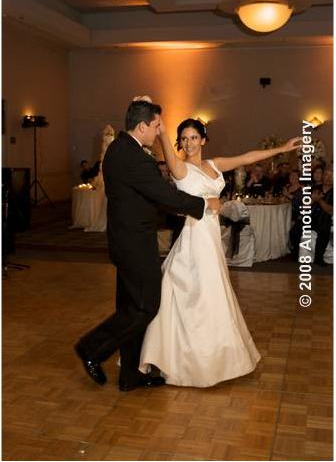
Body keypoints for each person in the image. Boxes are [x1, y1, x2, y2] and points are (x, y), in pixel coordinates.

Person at [140, 115, 301, 387]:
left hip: (212, 241)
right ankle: (180, 360)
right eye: (183, 139)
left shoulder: (214, 165)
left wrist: (281, 149)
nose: (188, 143)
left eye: (193, 137)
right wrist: (163, 129)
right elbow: (167, 149)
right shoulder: (179, 168)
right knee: (193, 294)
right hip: (193, 241)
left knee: (213, 295)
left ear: (203, 139)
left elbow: (247, 157)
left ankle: (215, 358)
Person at [74, 99, 220, 391]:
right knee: (146, 307)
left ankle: (130, 375)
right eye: (155, 127)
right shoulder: (134, 157)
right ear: (142, 126)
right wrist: (204, 204)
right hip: (134, 244)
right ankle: (91, 347)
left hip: (126, 239)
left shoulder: (118, 148)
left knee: (130, 306)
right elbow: (164, 196)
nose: (158, 133)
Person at [311, 168, 333, 266]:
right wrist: (312, 200)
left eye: (331, 176)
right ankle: (295, 258)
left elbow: (330, 210)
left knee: (324, 229)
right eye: (327, 175)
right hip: (311, 217)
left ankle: (318, 259)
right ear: (322, 177)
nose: (329, 178)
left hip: (326, 218)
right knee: (295, 230)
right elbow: (305, 205)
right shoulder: (315, 188)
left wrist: (319, 200)